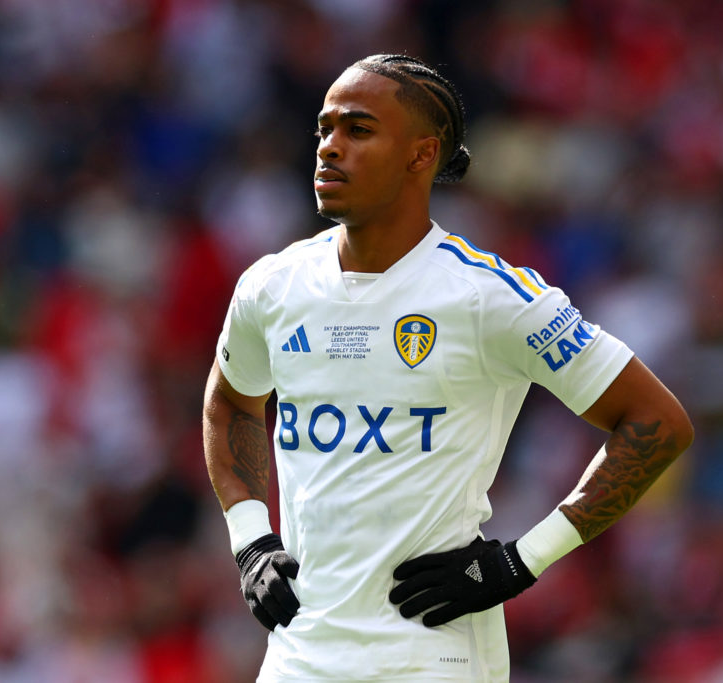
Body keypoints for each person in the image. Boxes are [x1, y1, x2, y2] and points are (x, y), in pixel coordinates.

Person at [203, 54, 693, 682]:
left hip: (432, 655)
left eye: (358, 130)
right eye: (324, 129)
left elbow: (657, 422)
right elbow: (232, 400)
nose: (329, 148)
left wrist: (521, 562)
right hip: (301, 654)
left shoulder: (490, 297)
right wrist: (250, 540)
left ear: (421, 154)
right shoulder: (272, 286)